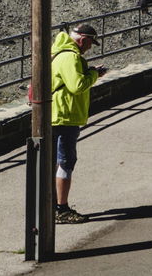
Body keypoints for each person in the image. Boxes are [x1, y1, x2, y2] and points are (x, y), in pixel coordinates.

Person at [51, 23, 104, 225]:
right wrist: (94, 75)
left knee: (57, 161)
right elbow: (77, 85)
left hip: (59, 114)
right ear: (83, 39)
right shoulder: (71, 56)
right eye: (90, 42)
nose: (90, 47)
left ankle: (53, 206)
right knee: (66, 162)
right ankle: (61, 209)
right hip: (66, 116)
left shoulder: (60, 53)